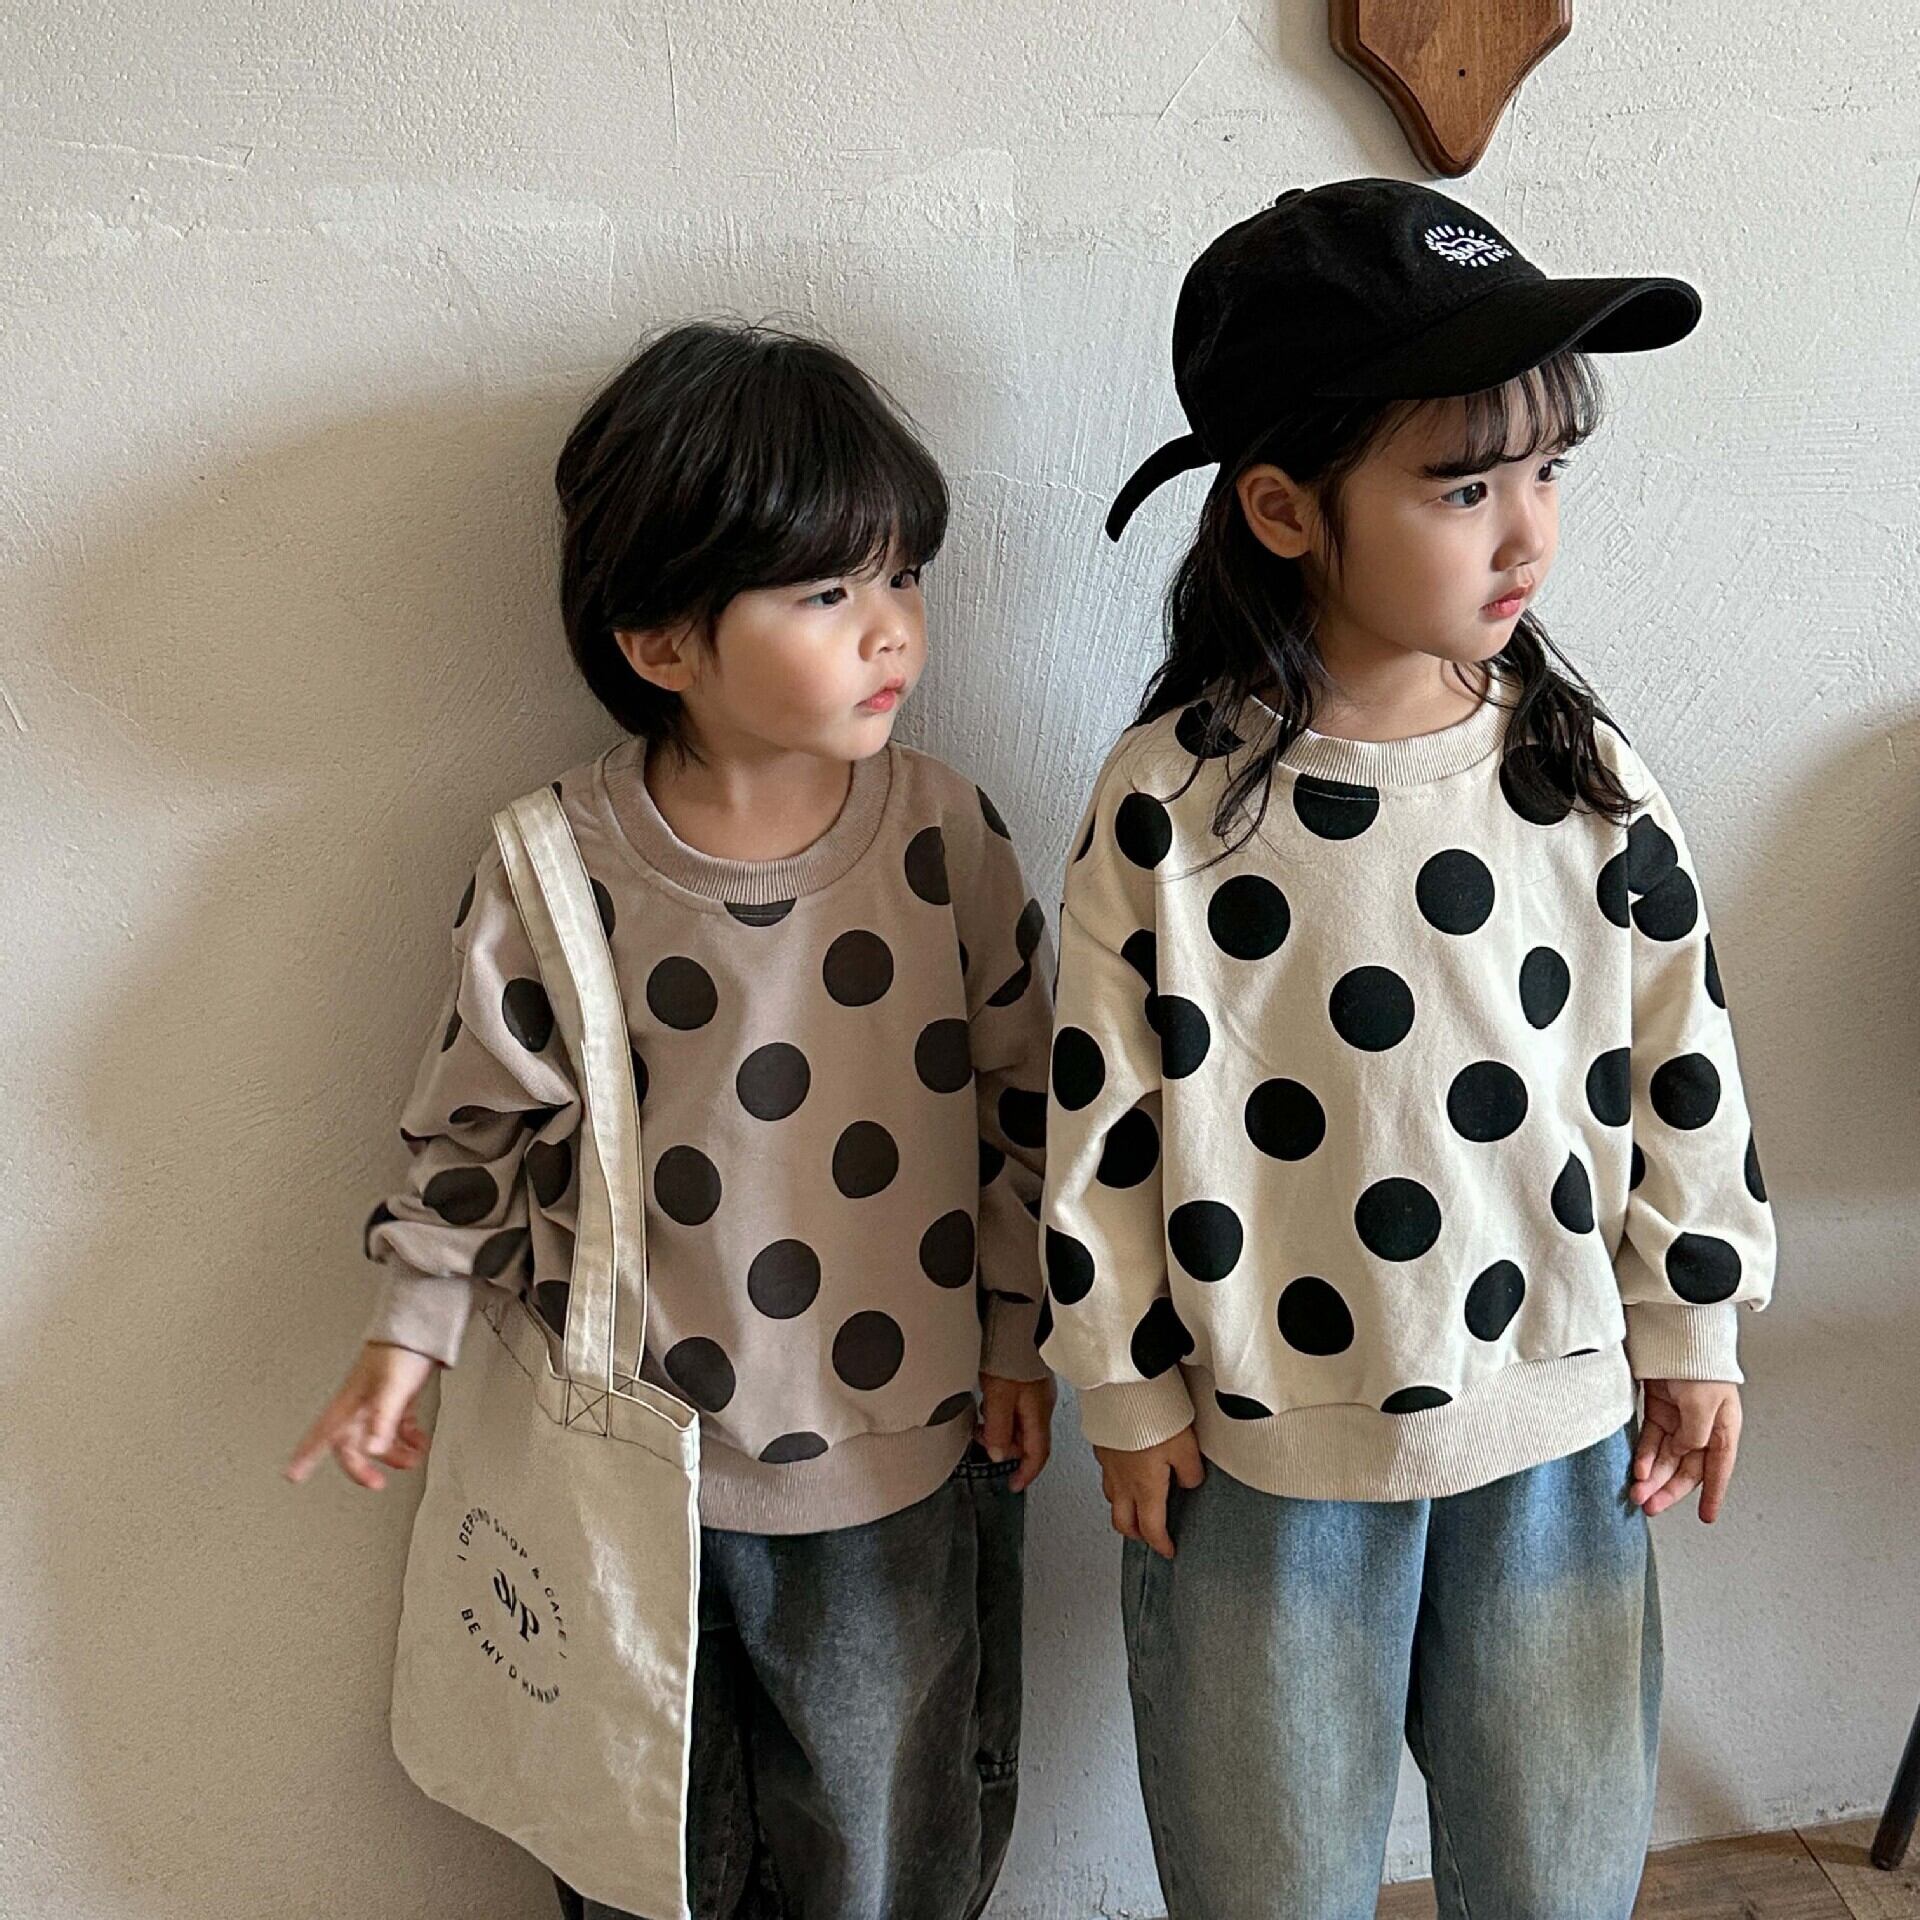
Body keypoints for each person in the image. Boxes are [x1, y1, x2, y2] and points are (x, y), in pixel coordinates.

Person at [1037, 178, 1778, 1920]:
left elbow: (1682, 1051)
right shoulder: (1173, 801)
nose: (1527, 536)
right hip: (1260, 1450)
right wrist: (1123, 1390)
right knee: (1266, 1872)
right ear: (1284, 508)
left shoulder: (1576, 766)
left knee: (1559, 1866)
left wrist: (1694, 1325)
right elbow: (1100, 1120)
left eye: (1548, 473)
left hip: (1558, 1424)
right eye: (1463, 487)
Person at [287, 322, 1057, 1920]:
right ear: (660, 643)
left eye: (902, 575)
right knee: (645, 1846)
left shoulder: (945, 837)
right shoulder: (559, 866)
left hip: (896, 1457)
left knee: (884, 1838)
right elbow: (476, 1130)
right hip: (633, 1470)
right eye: (826, 592)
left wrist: (1015, 1340)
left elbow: (1025, 1106)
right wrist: (406, 1334)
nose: (891, 629)